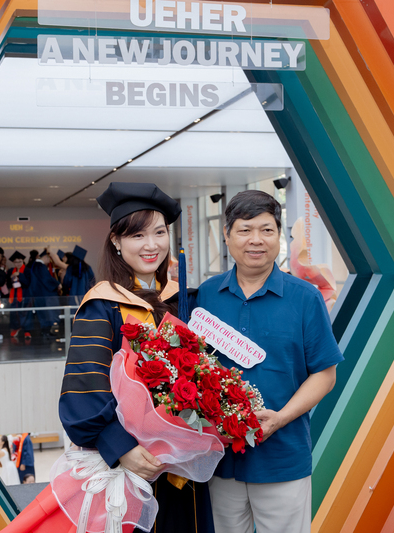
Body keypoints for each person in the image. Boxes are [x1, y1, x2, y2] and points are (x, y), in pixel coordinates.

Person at [58, 182, 212, 533]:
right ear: (116, 241)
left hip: (184, 466)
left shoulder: (184, 300)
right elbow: (85, 387)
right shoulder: (102, 306)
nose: (151, 245)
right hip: (131, 466)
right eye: (137, 235)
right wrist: (120, 447)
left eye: (159, 233)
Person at [196, 190, 343, 533]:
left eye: (267, 230)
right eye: (245, 230)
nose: (256, 240)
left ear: (278, 236)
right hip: (219, 459)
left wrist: (279, 419)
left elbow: (325, 375)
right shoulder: (206, 294)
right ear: (227, 235)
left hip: (282, 458)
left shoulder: (305, 297)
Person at [28, 250, 62, 338]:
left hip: (39, 295)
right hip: (44, 295)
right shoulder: (40, 266)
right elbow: (46, 279)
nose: (49, 262)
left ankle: (45, 332)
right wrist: (57, 284)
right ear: (45, 257)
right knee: (47, 315)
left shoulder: (35, 265)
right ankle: (48, 333)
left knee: (43, 315)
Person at [7, 251, 28, 338]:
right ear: (13, 262)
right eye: (16, 262)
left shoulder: (27, 270)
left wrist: (20, 275)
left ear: (23, 261)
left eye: (20, 261)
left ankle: (27, 330)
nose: (18, 263)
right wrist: (11, 279)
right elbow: (8, 284)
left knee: (26, 313)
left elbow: (28, 283)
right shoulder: (11, 271)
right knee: (14, 312)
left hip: (25, 294)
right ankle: (16, 328)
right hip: (14, 294)